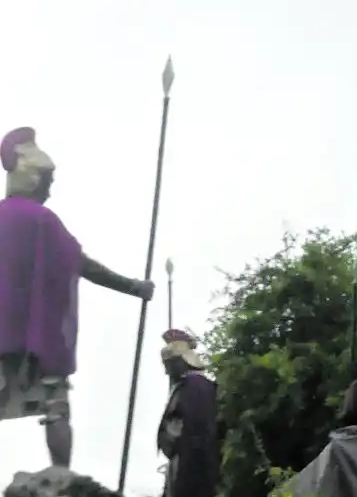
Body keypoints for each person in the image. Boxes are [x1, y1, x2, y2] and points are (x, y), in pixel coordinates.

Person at [0, 126, 155, 469]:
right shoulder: (43, 220)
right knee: (56, 410)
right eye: (48, 184)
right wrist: (133, 286)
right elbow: (81, 264)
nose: (50, 193)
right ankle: (60, 477)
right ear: (34, 179)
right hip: (35, 344)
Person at [156, 329, 219, 497]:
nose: (166, 372)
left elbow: (197, 433)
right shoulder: (187, 386)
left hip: (190, 468)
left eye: (168, 366)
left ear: (180, 362)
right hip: (181, 463)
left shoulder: (196, 386)